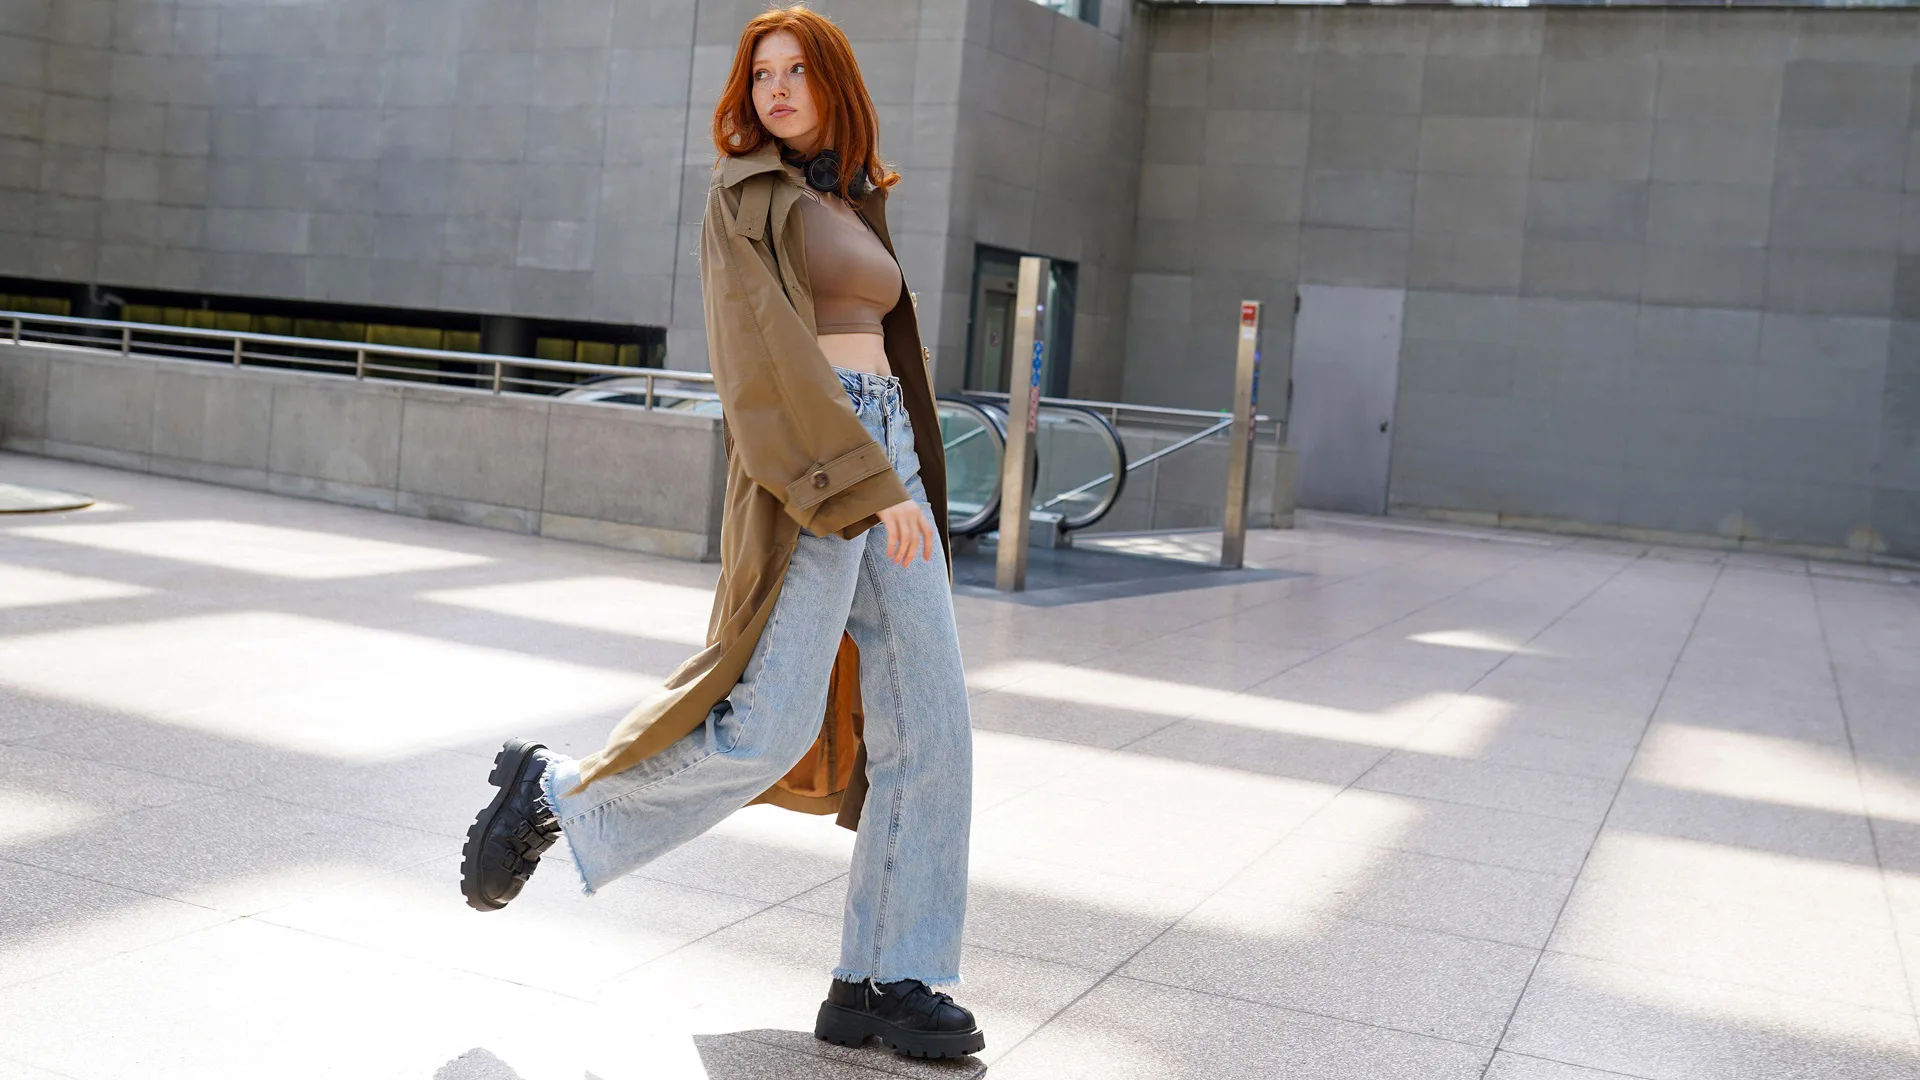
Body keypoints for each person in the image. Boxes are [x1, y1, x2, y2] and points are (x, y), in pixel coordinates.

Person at [457, 5, 982, 1062]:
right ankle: (556, 793)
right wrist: (868, 478)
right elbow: (764, 360)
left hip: (890, 457)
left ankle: (887, 978)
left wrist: (901, 470)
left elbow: (884, 344)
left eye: (795, 72)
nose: (774, 91)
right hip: (817, 464)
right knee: (770, 726)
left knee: (933, 730)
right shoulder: (743, 198)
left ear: (835, 84)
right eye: (760, 75)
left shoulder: (850, 197)